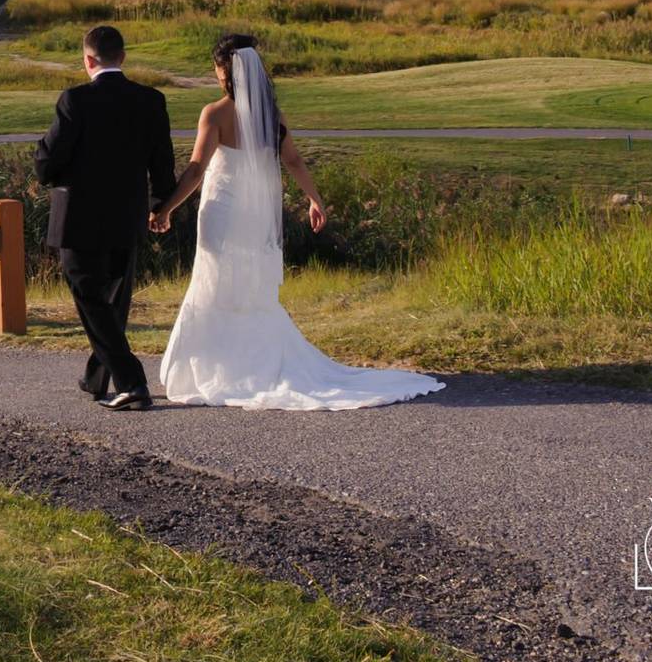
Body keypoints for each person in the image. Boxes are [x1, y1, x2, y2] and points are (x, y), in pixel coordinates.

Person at [149, 34, 444, 410]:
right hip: (258, 214)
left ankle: (219, 367)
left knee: (217, 280)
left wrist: (167, 209)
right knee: (252, 285)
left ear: (225, 71)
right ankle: (256, 361)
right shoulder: (273, 115)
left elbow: (195, 170)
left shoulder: (215, 113)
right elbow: (294, 162)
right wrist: (314, 199)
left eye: (217, 66)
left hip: (223, 210)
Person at [34, 25, 176, 411]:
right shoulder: (151, 100)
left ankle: (132, 383)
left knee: (92, 300)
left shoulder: (74, 101)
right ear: (123, 58)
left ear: (87, 60)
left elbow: (47, 166)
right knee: (113, 302)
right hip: (127, 217)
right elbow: (162, 163)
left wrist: (51, 159)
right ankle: (97, 378)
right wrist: (160, 205)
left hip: (78, 220)